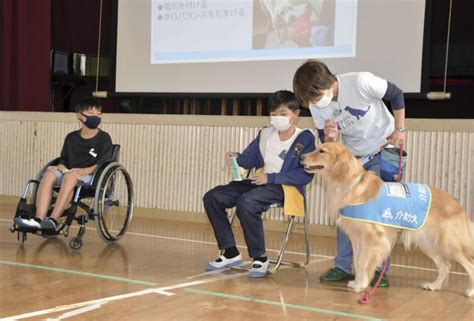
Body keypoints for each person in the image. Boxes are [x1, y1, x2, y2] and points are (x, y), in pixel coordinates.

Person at [293, 59, 406, 287]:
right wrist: (329, 136)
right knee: (346, 210)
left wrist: (400, 129)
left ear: (325, 83)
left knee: (379, 212)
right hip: (355, 159)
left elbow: (396, 94)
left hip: (386, 150)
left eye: (315, 97)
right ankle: (343, 266)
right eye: (311, 100)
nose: (315, 103)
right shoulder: (318, 106)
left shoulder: (361, 81)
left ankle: (378, 270)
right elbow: (327, 145)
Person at [203, 90, 316, 277]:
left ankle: (259, 258)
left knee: (247, 202)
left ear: (295, 115)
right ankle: (230, 252)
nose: (277, 118)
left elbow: (305, 175)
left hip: (285, 188)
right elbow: (250, 159)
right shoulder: (265, 133)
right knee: (213, 197)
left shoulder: (305, 138)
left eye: (283, 114)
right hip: (260, 183)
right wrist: (236, 157)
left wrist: (271, 178)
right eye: (273, 114)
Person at [15, 98, 113, 231]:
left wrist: (86, 171)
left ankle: (53, 219)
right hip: (69, 171)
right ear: (80, 115)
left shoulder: (104, 138)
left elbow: (104, 162)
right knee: (49, 174)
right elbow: (64, 159)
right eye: (91, 113)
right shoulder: (71, 137)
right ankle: (38, 219)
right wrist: (60, 166)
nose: (96, 117)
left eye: (99, 114)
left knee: (70, 176)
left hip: (91, 176)